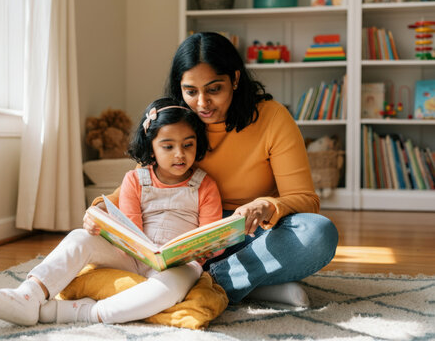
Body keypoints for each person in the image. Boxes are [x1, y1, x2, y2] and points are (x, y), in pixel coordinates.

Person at [85, 32, 339, 307]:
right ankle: (246, 285)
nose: (202, 103)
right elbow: (141, 180)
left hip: (246, 234)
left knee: (317, 234)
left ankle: (204, 285)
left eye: (214, 89)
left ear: (235, 79)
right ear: (179, 87)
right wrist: (101, 208)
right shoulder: (175, 119)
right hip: (181, 232)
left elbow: (306, 199)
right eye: (191, 91)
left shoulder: (273, 118)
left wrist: (265, 206)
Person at [0, 97, 223, 325]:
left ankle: (78, 313)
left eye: (188, 145)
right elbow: (131, 231)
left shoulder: (205, 185)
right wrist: (105, 225)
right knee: (80, 237)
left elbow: (211, 237)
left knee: (170, 288)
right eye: (168, 146)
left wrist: (209, 246)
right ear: (152, 147)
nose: (180, 154)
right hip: (136, 255)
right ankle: (28, 295)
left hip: (179, 264)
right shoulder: (136, 179)